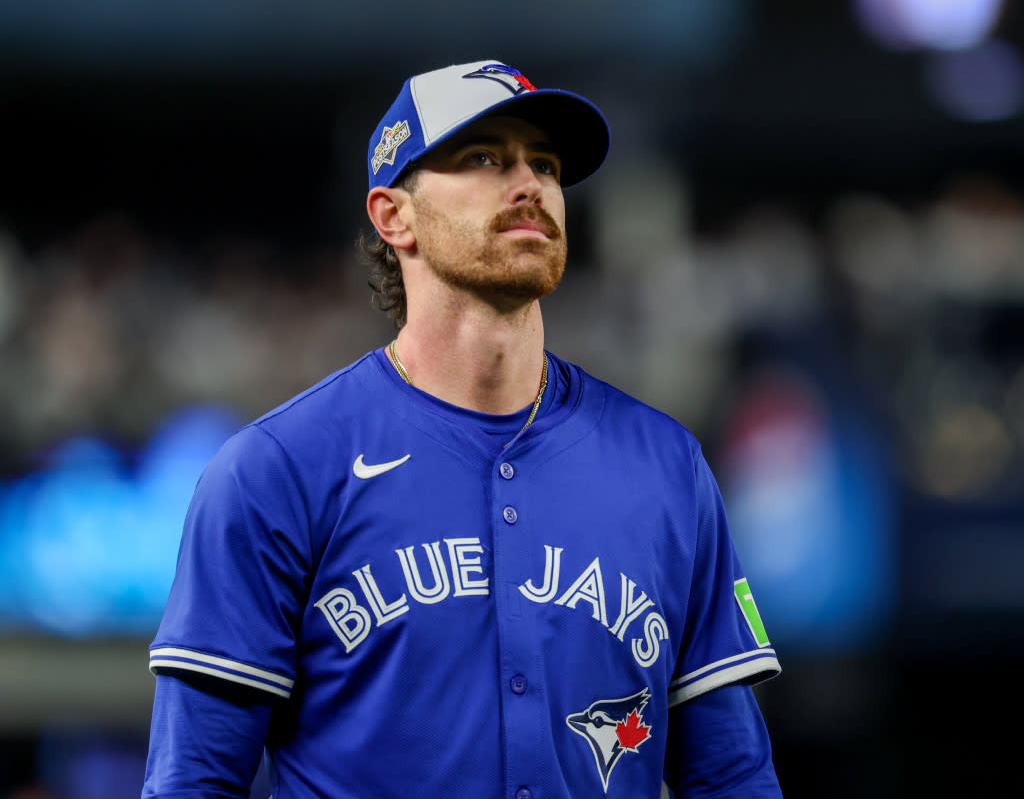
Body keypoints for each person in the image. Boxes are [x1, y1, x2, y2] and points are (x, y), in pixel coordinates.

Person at [142, 59, 783, 799]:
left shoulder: (666, 465)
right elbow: (193, 779)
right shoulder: (277, 468)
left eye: (544, 164)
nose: (530, 184)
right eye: (483, 157)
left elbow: (732, 774)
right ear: (393, 216)